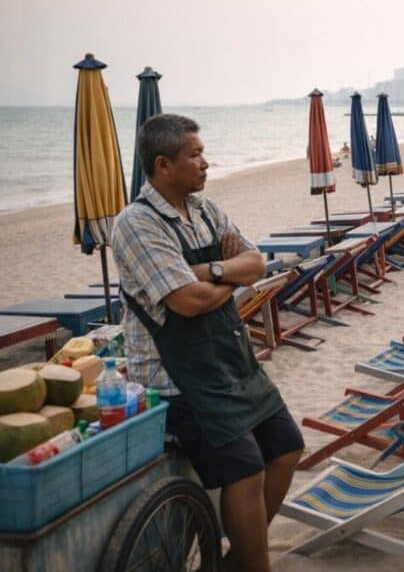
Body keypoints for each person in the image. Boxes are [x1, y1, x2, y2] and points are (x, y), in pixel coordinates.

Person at [111, 114, 303, 572]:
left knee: (287, 446)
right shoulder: (136, 224)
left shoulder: (204, 210)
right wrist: (225, 278)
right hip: (177, 377)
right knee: (246, 467)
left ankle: (238, 560)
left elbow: (256, 263)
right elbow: (188, 302)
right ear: (163, 165)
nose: (205, 163)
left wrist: (212, 270)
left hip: (229, 362)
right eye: (194, 155)